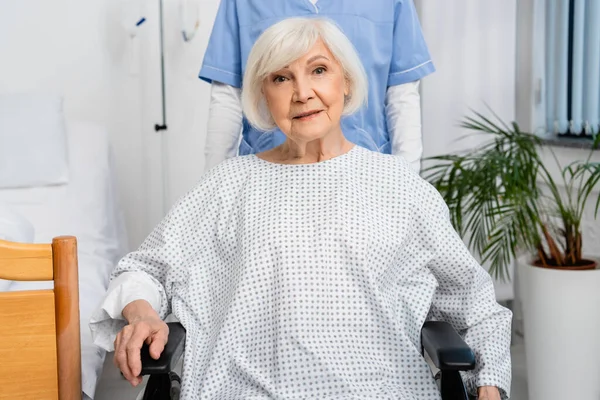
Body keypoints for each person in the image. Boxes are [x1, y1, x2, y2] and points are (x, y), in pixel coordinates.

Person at [90, 18, 511, 400]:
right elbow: (141, 268)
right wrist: (142, 313)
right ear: (263, 95)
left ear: (345, 81)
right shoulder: (227, 185)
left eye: (319, 70)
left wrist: (489, 383)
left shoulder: (401, 186)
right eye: (281, 77)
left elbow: (475, 303)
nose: (302, 92)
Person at [200, 0, 434, 174]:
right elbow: (227, 97)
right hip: (269, 169)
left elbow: (402, 96)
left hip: (367, 165)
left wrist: (408, 179)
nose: (303, 94)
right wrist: (214, 186)